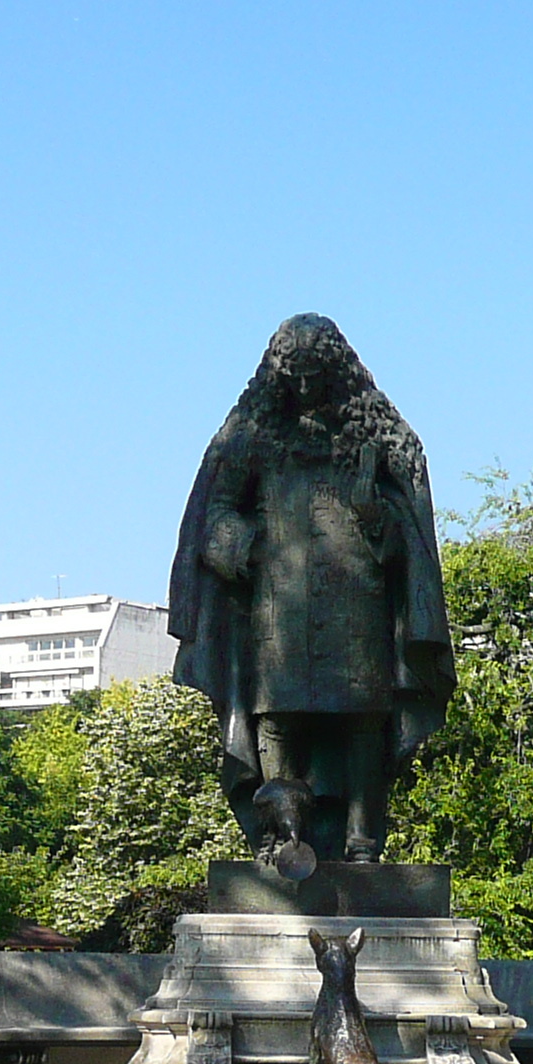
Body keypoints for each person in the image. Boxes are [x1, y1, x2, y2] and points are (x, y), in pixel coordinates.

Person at [167, 315, 452, 871]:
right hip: (278, 612)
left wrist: (376, 515)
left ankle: (363, 844)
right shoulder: (253, 438)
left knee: (363, 720)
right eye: (293, 377)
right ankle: (280, 838)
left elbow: (405, 541)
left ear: (335, 371)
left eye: (314, 375)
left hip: (358, 610)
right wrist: (244, 548)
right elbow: (216, 512)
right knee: (277, 722)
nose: (303, 388)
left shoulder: (373, 438)